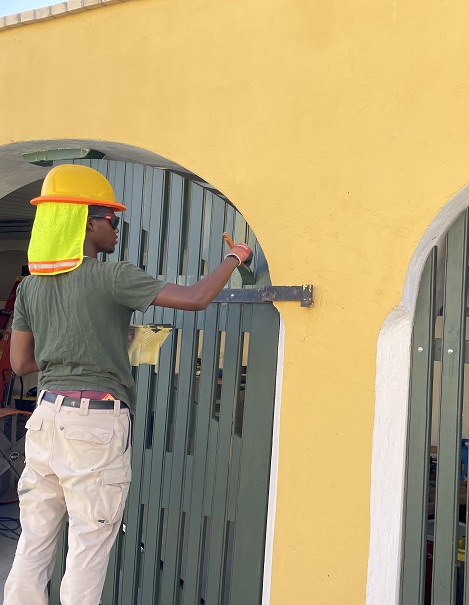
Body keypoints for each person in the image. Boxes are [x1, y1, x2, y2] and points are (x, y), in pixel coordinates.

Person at [2, 164, 252, 605]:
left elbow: (21, 362)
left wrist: (73, 348)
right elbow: (195, 298)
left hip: (44, 421)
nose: (118, 229)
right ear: (89, 222)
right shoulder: (112, 276)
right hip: (93, 427)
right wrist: (235, 258)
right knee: (87, 547)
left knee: (34, 541)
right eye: (113, 221)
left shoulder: (30, 289)